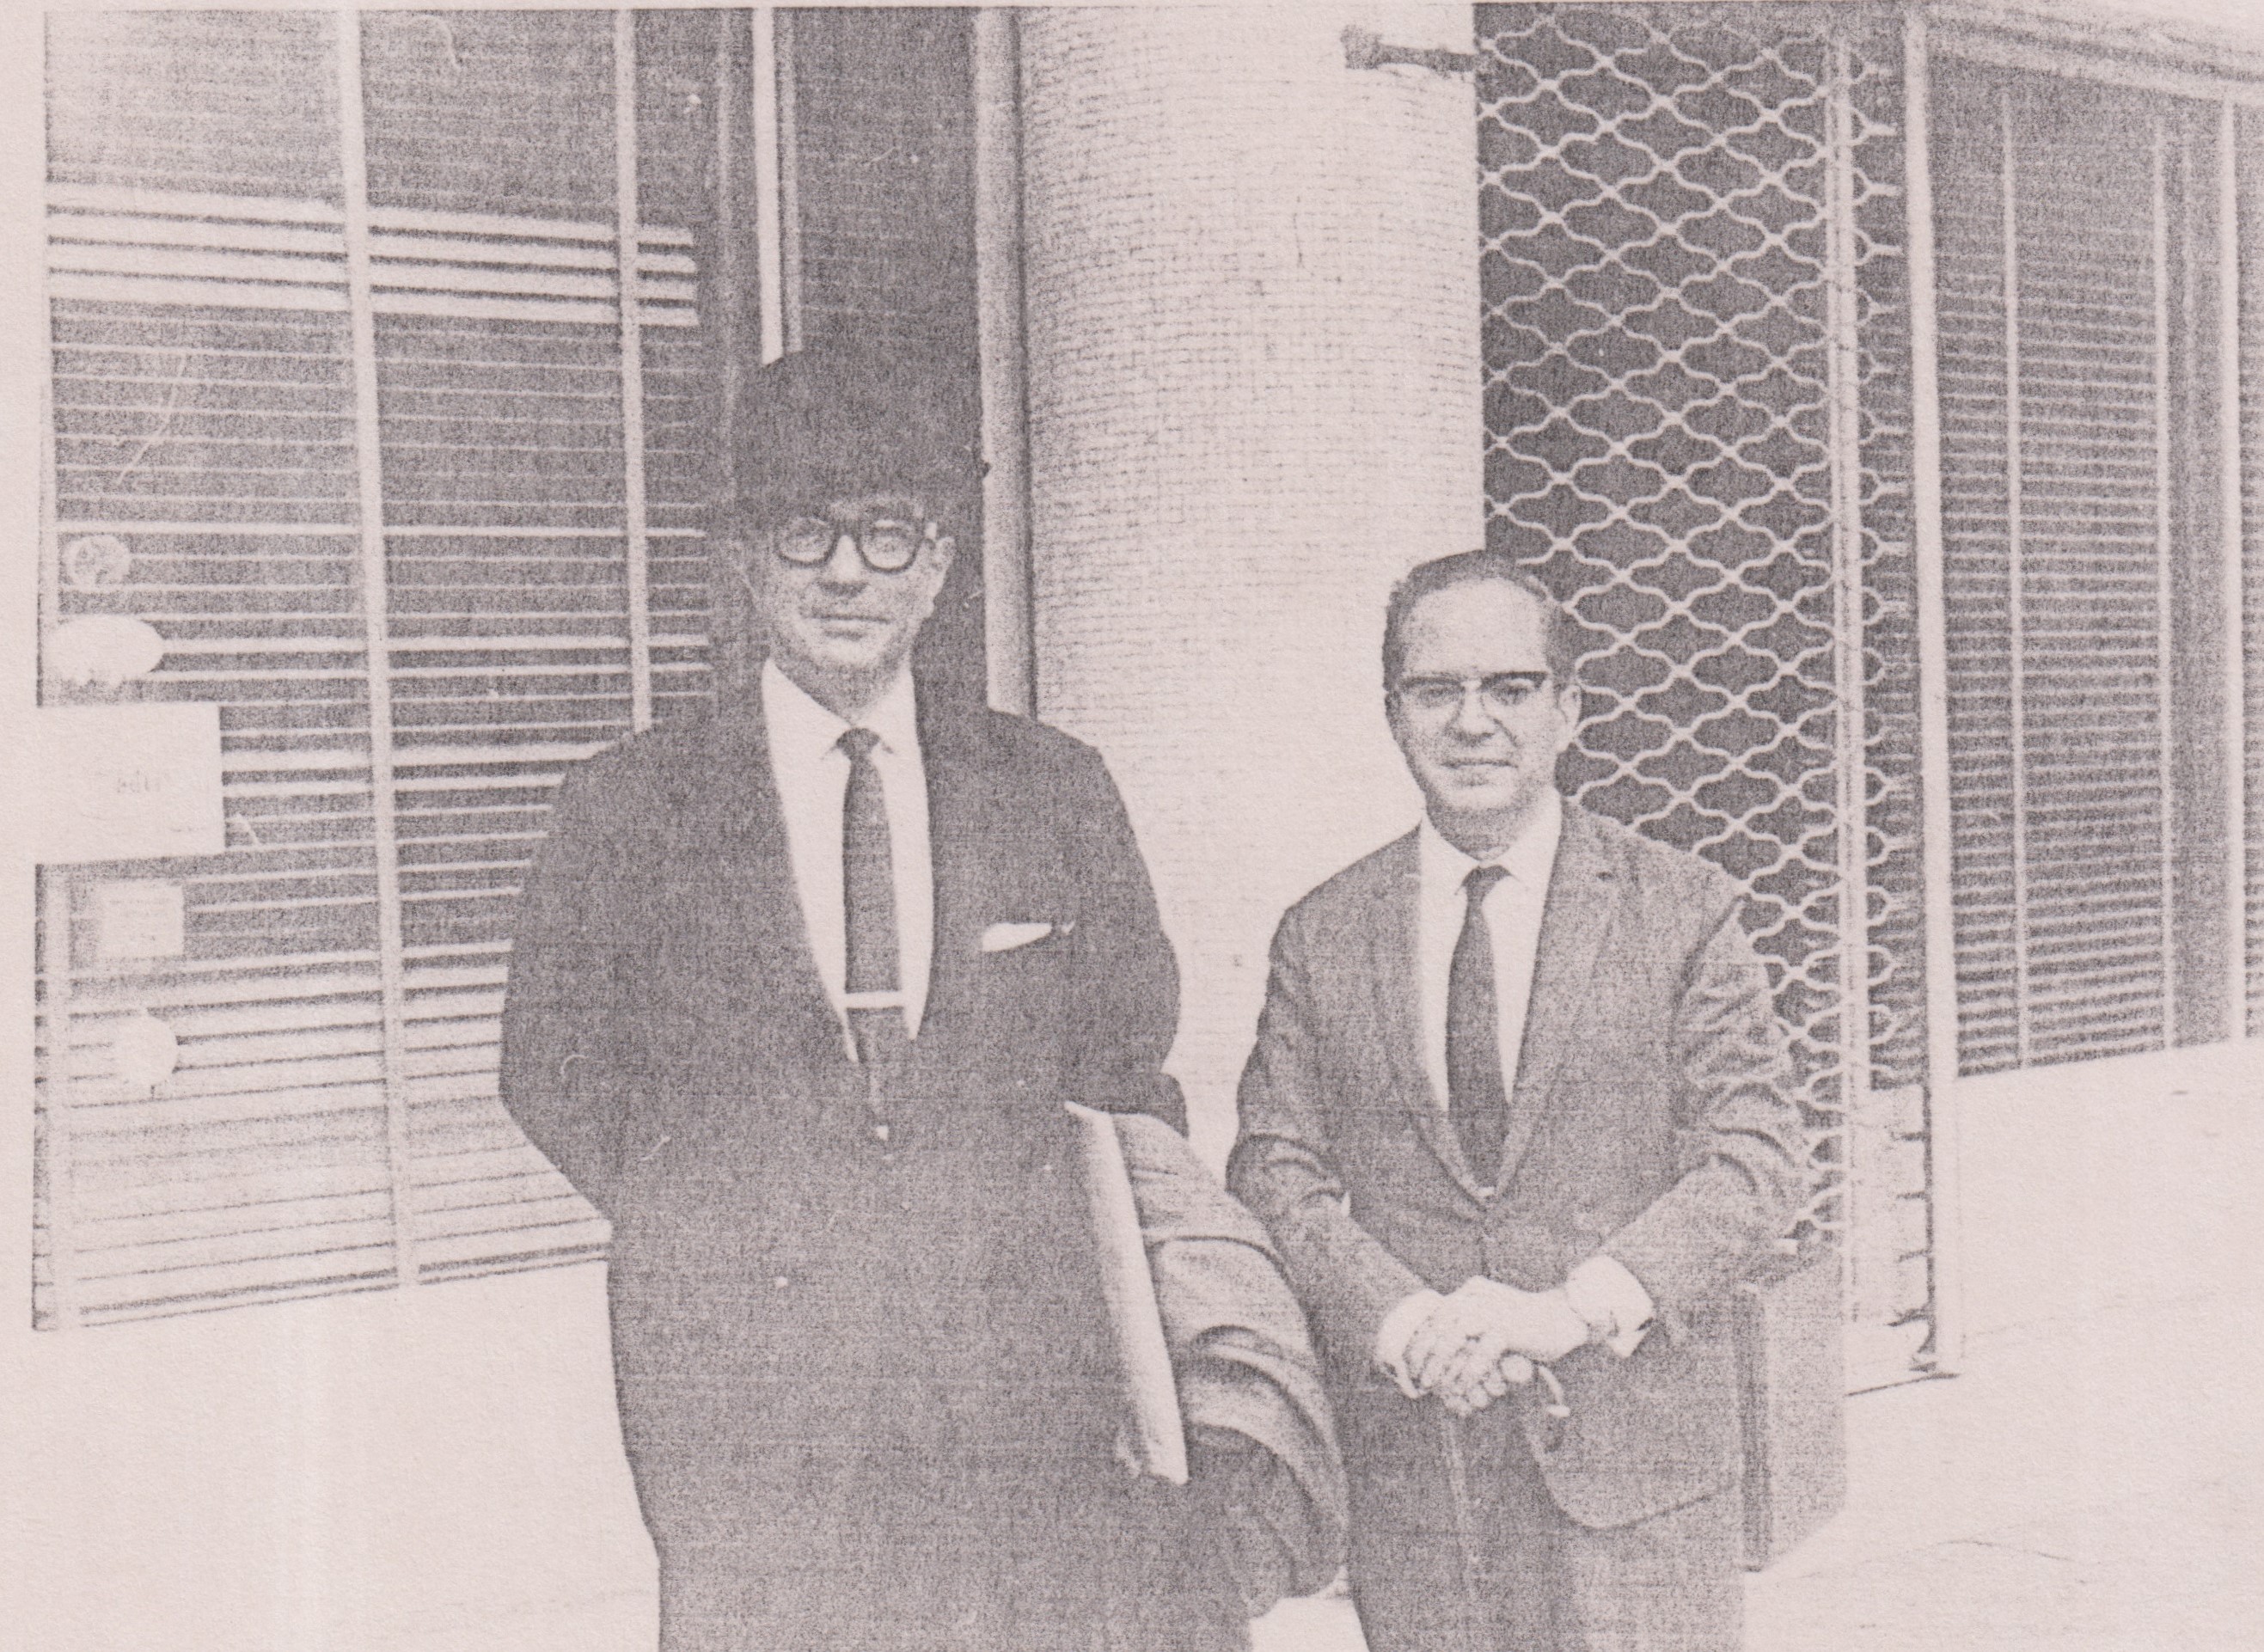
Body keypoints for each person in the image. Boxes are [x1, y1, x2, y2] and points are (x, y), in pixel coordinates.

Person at [498, 343, 1241, 1652]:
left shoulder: (1050, 786)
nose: (847, 571)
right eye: (806, 530)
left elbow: (1126, 1055)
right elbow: (552, 1071)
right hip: (742, 1398)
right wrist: (738, 1237)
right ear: (742, 556)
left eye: (889, 534)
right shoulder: (627, 805)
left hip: (1019, 1403)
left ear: (943, 564)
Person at [1227, 551, 1811, 1652]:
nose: (1472, 722)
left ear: (1570, 707)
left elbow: (1754, 1161)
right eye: (1434, 690)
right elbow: (1273, 1174)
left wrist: (1567, 1309)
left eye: (1510, 687)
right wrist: (1400, 1319)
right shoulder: (1323, 933)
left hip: (1639, 1484)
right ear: (1394, 716)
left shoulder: (1683, 909)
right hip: (1423, 1485)